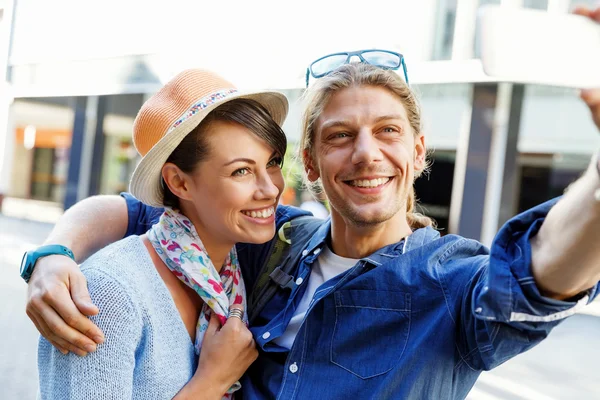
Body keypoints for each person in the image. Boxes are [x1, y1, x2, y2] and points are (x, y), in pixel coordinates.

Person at [25, 6, 600, 399]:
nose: (366, 154)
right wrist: (53, 254)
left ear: (419, 151)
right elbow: (133, 212)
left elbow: (540, 277)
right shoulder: (273, 239)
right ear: (313, 161)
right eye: (341, 136)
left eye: (388, 132)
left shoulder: (450, 280)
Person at [32, 68, 291, 399]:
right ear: (180, 182)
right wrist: (211, 382)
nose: (270, 189)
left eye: (273, 162)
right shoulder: (108, 294)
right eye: (241, 170)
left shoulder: (228, 279)